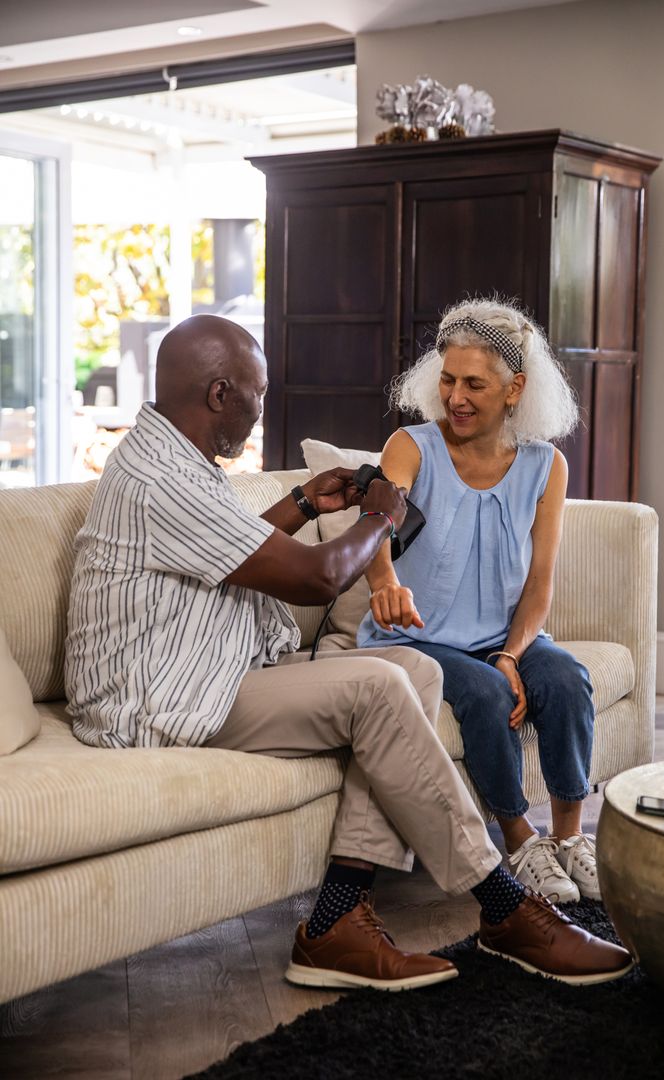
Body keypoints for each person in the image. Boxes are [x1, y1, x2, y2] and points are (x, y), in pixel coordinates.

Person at [65, 313, 630, 992]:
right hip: (158, 699)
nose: (260, 407)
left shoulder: (173, 458)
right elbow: (317, 579)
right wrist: (382, 516)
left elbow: (231, 547)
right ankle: (505, 906)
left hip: (204, 676)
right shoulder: (162, 478)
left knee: (412, 668)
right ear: (220, 394)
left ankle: (337, 919)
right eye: (258, 393)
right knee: (379, 688)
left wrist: (303, 503)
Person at [358, 297, 600, 903]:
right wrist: (384, 581)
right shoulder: (411, 445)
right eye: (447, 379)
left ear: (515, 388)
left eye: (475, 384)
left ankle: (569, 840)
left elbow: (540, 582)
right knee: (488, 692)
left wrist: (514, 654)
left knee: (567, 677)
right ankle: (521, 844)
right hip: (419, 637)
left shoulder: (547, 466)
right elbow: (375, 518)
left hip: (500, 635)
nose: (455, 397)